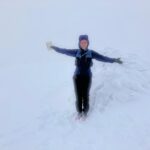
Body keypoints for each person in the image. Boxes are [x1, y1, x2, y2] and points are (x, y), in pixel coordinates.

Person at [46, 35, 123, 118]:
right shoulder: (76, 52)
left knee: (85, 95)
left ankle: (85, 112)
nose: (83, 44)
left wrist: (114, 60)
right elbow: (64, 51)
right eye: (82, 42)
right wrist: (54, 47)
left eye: (85, 42)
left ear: (87, 43)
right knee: (78, 95)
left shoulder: (91, 53)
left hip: (87, 77)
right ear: (79, 43)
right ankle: (79, 112)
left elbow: (102, 58)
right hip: (77, 77)